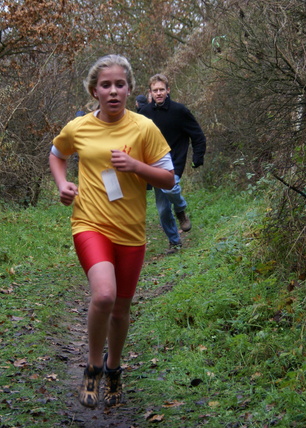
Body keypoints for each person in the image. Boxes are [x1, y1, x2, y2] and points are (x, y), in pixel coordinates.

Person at [49, 55, 174, 408]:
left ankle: (114, 368)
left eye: (120, 84)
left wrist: (136, 166)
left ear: (130, 89)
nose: (114, 91)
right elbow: (57, 154)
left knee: (121, 309)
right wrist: (63, 184)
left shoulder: (144, 128)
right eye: (106, 85)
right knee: (104, 295)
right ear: (95, 91)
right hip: (89, 223)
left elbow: (169, 178)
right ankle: (92, 366)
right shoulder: (79, 127)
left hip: (131, 232)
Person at [138, 73, 206, 254]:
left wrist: (197, 157)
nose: (158, 93)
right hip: (153, 166)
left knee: (171, 188)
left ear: (168, 90)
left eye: (161, 89)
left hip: (175, 161)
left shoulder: (179, 111)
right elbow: (135, 139)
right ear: (150, 93)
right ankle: (175, 242)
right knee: (162, 209)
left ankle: (181, 209)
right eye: (155, 90)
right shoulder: (144, 114)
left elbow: (197, 135)